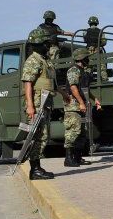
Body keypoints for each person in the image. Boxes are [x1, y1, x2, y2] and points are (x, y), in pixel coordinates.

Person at [22, 27, 57, 180]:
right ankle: (34, 169)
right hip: (37, 103)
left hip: (44, 102)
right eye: (45, 43)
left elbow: (50, 83)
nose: (48, 46)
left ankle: (37, 167)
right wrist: (30, 106)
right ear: (39, 43)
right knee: (37, 136)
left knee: (43, 136)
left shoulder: (44, 60)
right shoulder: (33, 60)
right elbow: (28, 83)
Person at [62, 48, 93, 168]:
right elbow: (73, 88)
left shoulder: (82, 70)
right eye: (86, 57)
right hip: (73, 106)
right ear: (82, 58)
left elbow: (84, 89)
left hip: (80, 104)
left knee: (81, 133)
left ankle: (78, 157)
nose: (88, 60)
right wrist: (81, 103)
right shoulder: (73, 70)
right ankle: (68, 159)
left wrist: (94, 98)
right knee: (72, 132)